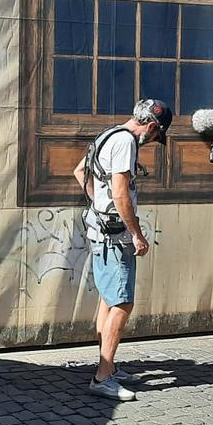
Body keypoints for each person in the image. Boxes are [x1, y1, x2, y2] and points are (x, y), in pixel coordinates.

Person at [72, 99, 172, 401]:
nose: (152, 142)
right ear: (152, 127)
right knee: (123, 303)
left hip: (99, 228)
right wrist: (136, 234)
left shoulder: (108, 134)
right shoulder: (127, 142)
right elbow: (119, 193)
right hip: (115, 236)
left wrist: (97, 206)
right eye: (156, 137)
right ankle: (102, 377)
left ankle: (108, 366)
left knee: (108, 297)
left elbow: (79, 171)